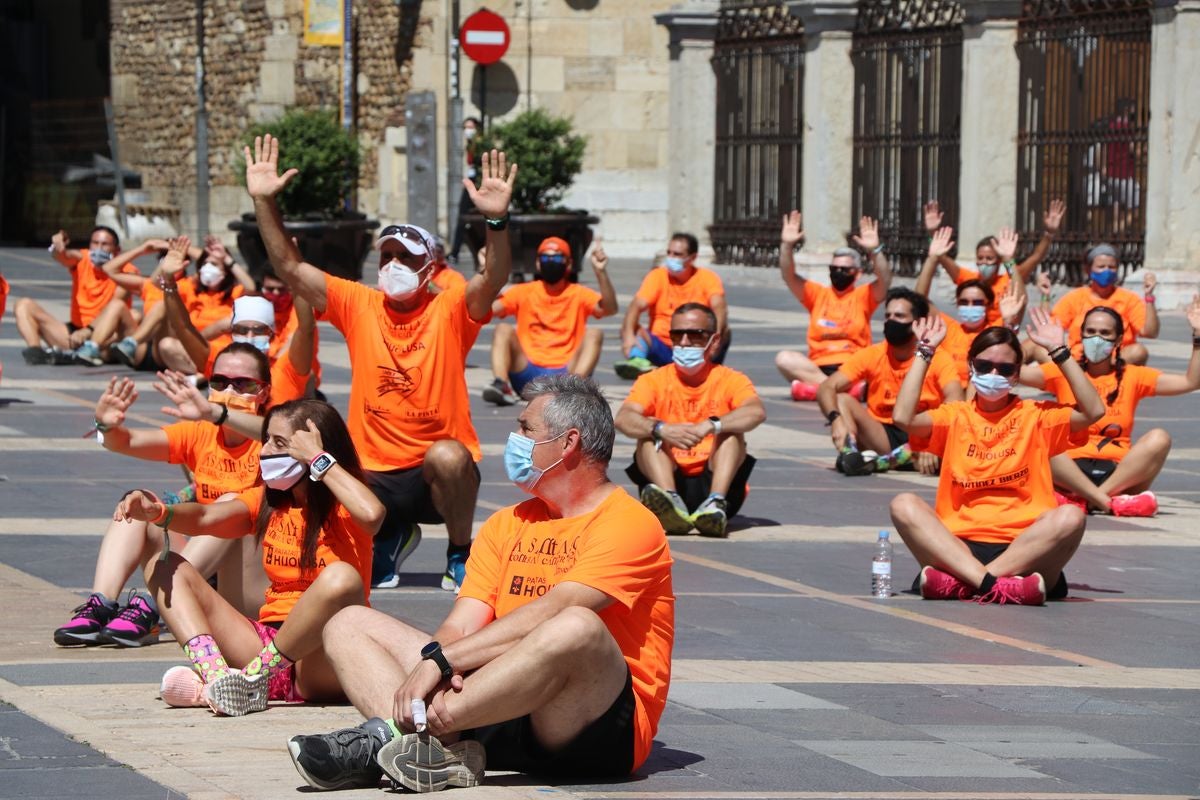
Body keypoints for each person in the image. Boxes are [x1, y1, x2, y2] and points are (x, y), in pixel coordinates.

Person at [285, 375, 674, 793]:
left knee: (575, 624)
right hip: (495, 703)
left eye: (526, 428)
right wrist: (433, 663)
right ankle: (436, 752)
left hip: (585, 725)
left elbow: (554, 610)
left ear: (569, 442)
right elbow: (462, 624)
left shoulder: (630, 523)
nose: (513, 438)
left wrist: (440, 664)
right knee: (348, 623)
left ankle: (393, 738)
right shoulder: (508, 523)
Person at [243, 133, 517, 592]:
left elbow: (494, 277)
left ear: (430, 267)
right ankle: (391, 532)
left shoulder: (449, 309)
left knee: (449, 455)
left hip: (435, 477)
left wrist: (496, 218)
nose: (392, 264)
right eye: (386, 255)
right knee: (335, 479)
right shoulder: (358, 303)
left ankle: (458, 551)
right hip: (370, 471)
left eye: (405, 258)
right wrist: (264, 202)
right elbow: (290, 267)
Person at [114, 399, 382, 716]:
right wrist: (158, 512)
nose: (264, 451)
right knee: (165, 564)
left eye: (279, 443)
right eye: (266, 439)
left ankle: (251, 681)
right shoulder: (267, 503)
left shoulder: (344, 505)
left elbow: (373, 514)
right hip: (266, 643)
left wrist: (319, 460)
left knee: (341, 578)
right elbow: (203, 518)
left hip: (324, 652)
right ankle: (219, 680)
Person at [52, 342, 278, 649]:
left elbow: (283, 436)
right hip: (202, 559)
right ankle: (101, 603)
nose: (229, 391)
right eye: (219, 382)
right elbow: (126, 442)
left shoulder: (275, 436)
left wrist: (216, 412)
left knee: (231, 505)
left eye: (244, 384)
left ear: (264, 392)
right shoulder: (201, 433)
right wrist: (107, 425)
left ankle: (152, 605)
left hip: (250, 578)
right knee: (139, 503)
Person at [889, 309, 1105, 605]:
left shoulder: (1037, 415)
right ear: (971, 366)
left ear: (1016, 375)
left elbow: (1094, 412)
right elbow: (902, 417)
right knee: (904, 504)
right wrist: (925, 352)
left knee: (1071, 516)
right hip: (958, 546)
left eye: (1004, 369)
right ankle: (994, 585)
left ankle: (966, 583)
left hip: (1027, 547)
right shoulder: (954, 416)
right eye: (984, 365)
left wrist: (1059, 351)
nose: (993, 374)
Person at [1019, 301, 1200, 516]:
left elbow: (1190, 382)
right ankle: (1110, 503)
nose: (1097, 338)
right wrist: (1012, 326)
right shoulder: (1063, 371)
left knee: (1159, 438)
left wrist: (1198, 337)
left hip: (1118, 473)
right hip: (1069, 473)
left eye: (1105, 333)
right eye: (1091, 332)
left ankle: (1092, 500)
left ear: (1118, 340)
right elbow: (1010, 371)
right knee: (1040, 435)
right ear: (1081, 335)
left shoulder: (1134, 375)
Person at [615, 303, 765, 538]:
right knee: (647, 433)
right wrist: (661, 429)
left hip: (715, 478)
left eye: (694, 335)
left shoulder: (731, 380)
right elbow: (624, 418)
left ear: (713, 342)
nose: (684, 342)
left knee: (731, 433)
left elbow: (755, 412)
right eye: (677, 335)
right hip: (668, 476)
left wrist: (713, 424)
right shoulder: (652, 380)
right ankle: (670, 503)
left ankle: (715, 503)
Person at [816, 287, 963, 476]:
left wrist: (935, 439)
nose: (891, 321)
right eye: (888, 315)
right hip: (883, 433)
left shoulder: (939, 358)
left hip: (921, 429)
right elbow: (827, 387)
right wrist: (835, 419)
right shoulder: (873, 354)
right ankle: (850, 453)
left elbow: (956, 398)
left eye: (899, 316)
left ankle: (881, 461)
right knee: (843, 400)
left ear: (917, 323)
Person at [482, 236, 618, 406]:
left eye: (557, 257)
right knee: (502, 329)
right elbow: (486, 309)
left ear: (568, 264)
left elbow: (610, 309)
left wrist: (600, 272)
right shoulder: (523, 292)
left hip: (567, 373)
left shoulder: (579, 293)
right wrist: (487, 273)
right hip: (527, 372)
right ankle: (501, 384)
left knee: (594, 334)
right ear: (538, 263)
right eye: (546, 257)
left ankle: (574, 390)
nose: (551, 261)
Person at [774, 212, 891, 401]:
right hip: (817, 366)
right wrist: (787, 245)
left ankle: (816, 391)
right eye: (834, 269)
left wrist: (875, 250)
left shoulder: (863, 295)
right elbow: (789, 276)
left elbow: (885, 280)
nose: (838, 272)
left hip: (852, 365)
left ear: (857, 273)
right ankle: (840, 391)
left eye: (844, 270)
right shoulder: (817, 294)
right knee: (784, 358)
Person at [922, 199, 1064, 326]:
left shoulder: (1010, 279)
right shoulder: (968, 279)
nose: (984, 262)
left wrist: (1049, 234)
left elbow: (1035, 257)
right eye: (980, 258)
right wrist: (932, 234)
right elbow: (941, 256)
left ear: (998, 261)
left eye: (989, 259)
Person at [915, 226, 1027, 383]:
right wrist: (932, 258)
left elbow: (1020, 301)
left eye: (978, 302)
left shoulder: (995, 332)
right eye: (964, 301)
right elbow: (918, 302)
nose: (970, 305)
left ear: (988, 305)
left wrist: (1008, 260)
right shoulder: (945, 327)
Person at [614, 232, 728, 378]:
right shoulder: (658, 276)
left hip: (696, 346)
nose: (671, 258)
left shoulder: (707, 278)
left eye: (677, 254)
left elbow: (719, 305)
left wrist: (715, 336)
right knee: (634, 328)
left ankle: (708, 368)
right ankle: (637, 361)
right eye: (669, 252)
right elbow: (637, 305)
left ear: (692, 257)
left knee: (726, 331)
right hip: (663, 344)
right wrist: (628, 335)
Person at [17, 226, 136, 365]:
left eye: (104, 244)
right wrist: (57, 247)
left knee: (134, 316)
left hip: (105, 335)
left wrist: (88, 331)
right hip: (74, 334)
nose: (98, 249)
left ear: (117, 250)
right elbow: (63, 256)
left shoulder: (127, 272)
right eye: (95, 243)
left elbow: (115, 305)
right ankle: (35, 352)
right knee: (24, 305)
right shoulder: (82, 259)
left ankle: (87, 353)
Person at [1051, 243, 1157, 365]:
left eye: (1111, 267)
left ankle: (1099, 368)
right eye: (1101, 266)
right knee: (1034, 347)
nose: (1107, 271)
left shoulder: (1129, 299)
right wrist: (1045, 297)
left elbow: (1150, 333)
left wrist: (1149, 297)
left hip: (1115, 360)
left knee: (1139, 351)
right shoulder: (1074, 298)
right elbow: (1051, 327)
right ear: (1088, 270)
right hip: (1080, 359)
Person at [448, 116, 482, 265]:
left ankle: (458, 252)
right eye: (465, 128)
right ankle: (455, 252)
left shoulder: (479, 145)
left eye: (470, 128)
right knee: (463, 218)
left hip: (478, 184)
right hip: (470, 183)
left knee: (468, 218)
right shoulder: (468, 145)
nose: (468, 131)